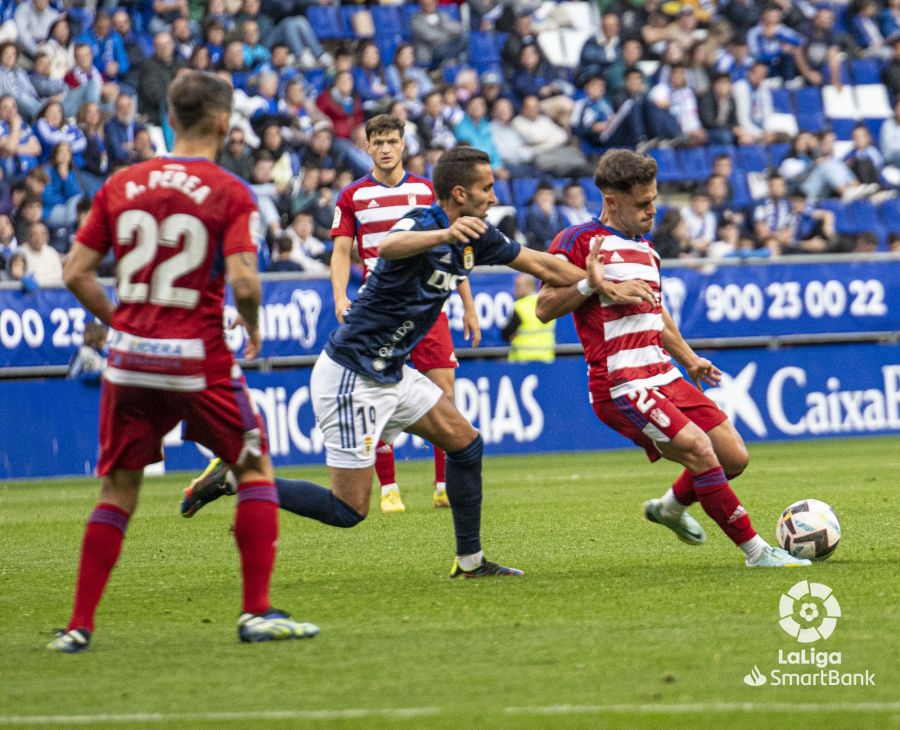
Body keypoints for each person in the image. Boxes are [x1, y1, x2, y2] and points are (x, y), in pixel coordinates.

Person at [184, 146, 651, 577]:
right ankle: (237, 474)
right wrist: (443, 233)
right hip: (352, 374)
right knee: (349, 511)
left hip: (391, 374)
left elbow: (544, 266)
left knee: (466, 445)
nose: (494, 196)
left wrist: (600, 284)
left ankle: (470, 562)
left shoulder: (480, 234)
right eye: (488, 188)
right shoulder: (422, 220)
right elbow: (387, 247)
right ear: (461, 193)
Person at [48, 70, 319, 654]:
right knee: (252, 467)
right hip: (197, 360)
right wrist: (252, 324)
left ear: (169, 118)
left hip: (129, 362)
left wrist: (125, 322)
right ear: (224, 122)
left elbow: (74, 272)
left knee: (118, 491)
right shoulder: (230, 191)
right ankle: (256, 612)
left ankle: (78, 626)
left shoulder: (122, 183)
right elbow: (245, 280)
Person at [535, 149, 811, 569]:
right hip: (621, 382)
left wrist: (689, 358)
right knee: (700, 450)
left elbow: (656, 314)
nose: (652, 210)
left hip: (663, 374)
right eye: (642, 204)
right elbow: (544, 306)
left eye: (654, 200)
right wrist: (594, 286)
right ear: (611, 201)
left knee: (733, 457)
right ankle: (757, 553)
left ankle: (669, 507)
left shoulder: (648, 250)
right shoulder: (577, 242)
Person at [190, 114, 476, 514]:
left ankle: (443, 485)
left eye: (393, 141)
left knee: (444, 392)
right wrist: (340, 295)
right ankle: (389, 487)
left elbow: (453, 251)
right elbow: (342, 250)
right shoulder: (353, 196)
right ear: (368, 147)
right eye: (379, 143)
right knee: (378, 394)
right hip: (381, 312)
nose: (387, 149)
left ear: (404, 143)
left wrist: (467, 303)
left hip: (428, 308)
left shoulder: (428, 191)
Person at [501, 273, 555, 363]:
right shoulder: (547, 304)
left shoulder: (520, 306)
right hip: (546, 358)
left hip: (523, 360)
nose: (515, 290)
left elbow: (505, 334)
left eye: (518, 286)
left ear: (528, 286)